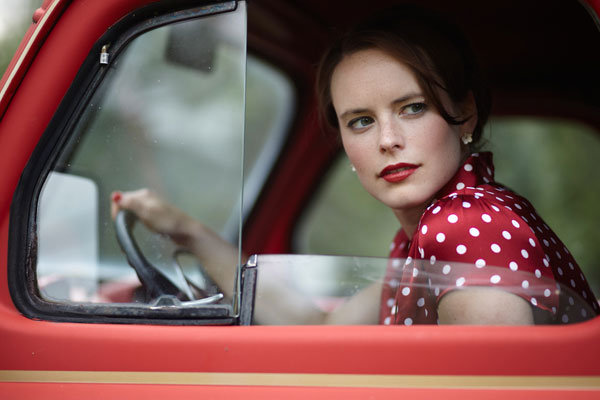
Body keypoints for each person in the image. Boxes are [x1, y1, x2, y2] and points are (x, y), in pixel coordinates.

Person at [112, 6, 597, 325]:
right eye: (361, 121)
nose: (387, 140)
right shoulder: (423, 235)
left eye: (413, 108)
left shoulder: (466, 226)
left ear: (465, 114)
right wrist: (190, 233)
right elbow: (321, 327)